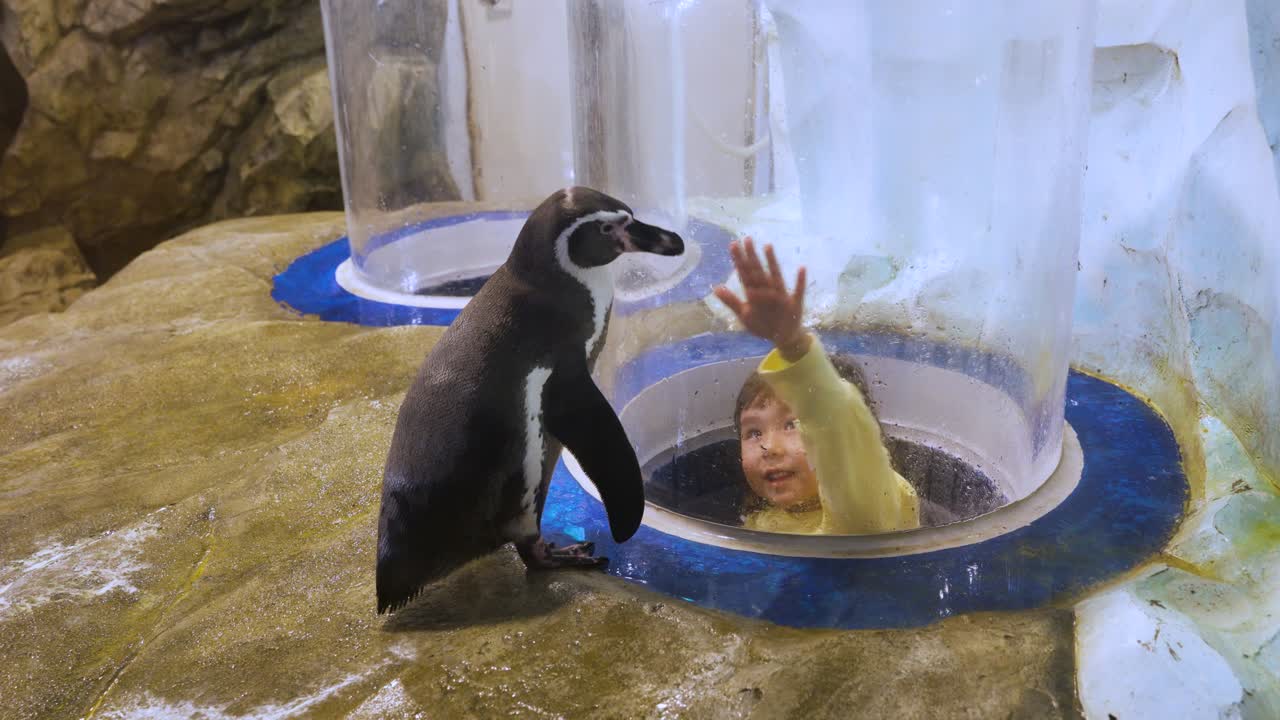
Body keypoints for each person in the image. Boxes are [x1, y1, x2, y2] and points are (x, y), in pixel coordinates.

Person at [713, 237, 920, 535]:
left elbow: (839, 437)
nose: (768, 447)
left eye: (792, 424)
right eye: (753, 431)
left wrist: (795, 348)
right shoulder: (765, 516)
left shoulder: (877, 503)